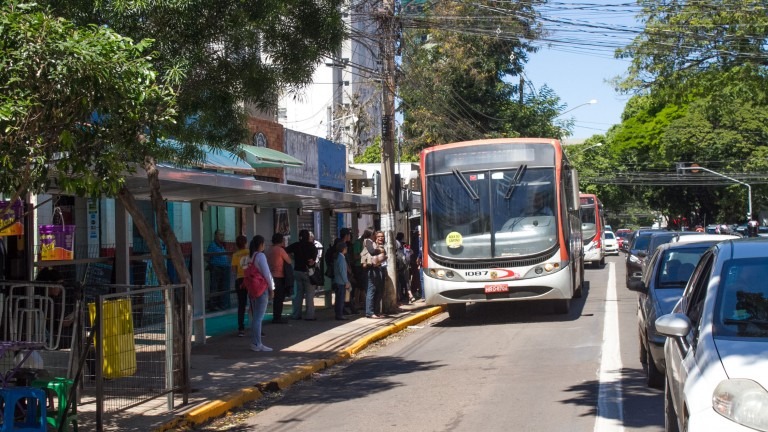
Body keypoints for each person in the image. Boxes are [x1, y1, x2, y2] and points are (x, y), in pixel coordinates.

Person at [248, 235, 274, 352]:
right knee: (259, 318)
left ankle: (255, 342)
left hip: (252, 289)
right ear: (261, 244)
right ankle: (257, 343)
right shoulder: (261, 256)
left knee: (255, 317)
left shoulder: (251, 256)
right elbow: (267, 273)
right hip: (261, 289)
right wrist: (271, 288)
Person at [286, 229, 318, 320]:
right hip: (308, 272)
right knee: (309, 294)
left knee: (299, 294)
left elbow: (286, 250)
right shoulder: (311, 246)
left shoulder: (296, 245)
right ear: (308, 237)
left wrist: (292, 257)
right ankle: (310, 316)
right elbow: (314, 259)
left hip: (297, 271)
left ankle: (296, 314)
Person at [266, 232, 292, 324]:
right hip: (279, 276)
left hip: (270, 276)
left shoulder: (269, 250)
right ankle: (277, 317)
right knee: (279, 298)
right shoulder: (280, 250)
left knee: (274, 298)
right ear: (281, 240)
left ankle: (275, 316)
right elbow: (289, 261)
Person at [230, 235, 250, 336]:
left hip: (240, 280)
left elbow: (233, 270)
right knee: (254, 304)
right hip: (250, 279)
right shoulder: (250, 252)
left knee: (241, 305)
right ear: (246, 243)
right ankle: (256, 327)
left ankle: (241, 329)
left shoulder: (235, 255)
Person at [207, 229, 231, 311]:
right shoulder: (212, 246)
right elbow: (207, 257)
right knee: (214, 287)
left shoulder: (221, 246)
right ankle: (213, 305)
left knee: (222, 287)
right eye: (220, 234)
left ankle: (221, 304)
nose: (222, 236)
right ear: (215, 236)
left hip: (224, 269)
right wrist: (213, 264)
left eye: (222, 235)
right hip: (216, 268)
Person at [365, 230, 387, 318]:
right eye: (379, 236)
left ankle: (377, 311)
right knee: (372, 290)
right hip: (374, 269)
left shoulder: (383, 246)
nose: (381, 238)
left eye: (382, 236)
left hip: (381, 269)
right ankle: (370, 312)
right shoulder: (372, 245)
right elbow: (374, 259)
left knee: (379, 291)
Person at [351, 229, 373, 312]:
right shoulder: (358, 243)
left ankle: (362, 303)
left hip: (364, 266)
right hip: (358, 266)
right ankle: (358, 303)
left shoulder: (368, 243)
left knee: (362, 286)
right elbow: (355, 256)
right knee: (359, 286)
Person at [332, 241, 351, 320]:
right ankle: (339, 315)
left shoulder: (337, 257)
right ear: (343, 249)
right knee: (340, 299)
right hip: (341, 282)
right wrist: (346, 282)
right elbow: (343, 271)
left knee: (338, 299)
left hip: (337, 281)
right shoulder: (341, 258)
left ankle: (338, 314)